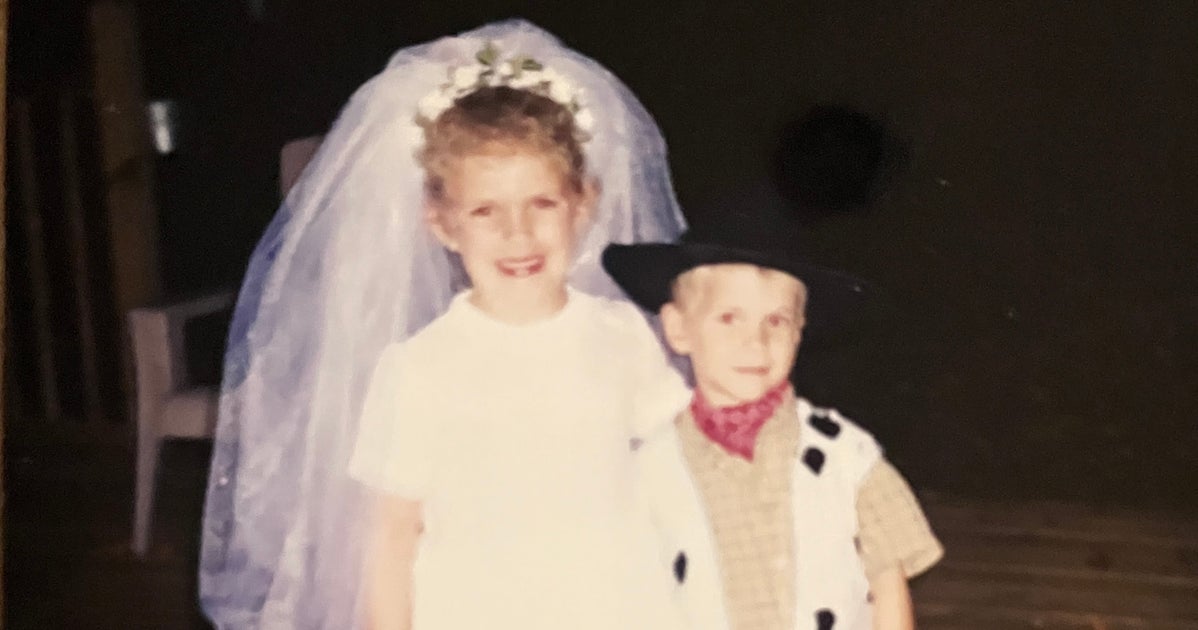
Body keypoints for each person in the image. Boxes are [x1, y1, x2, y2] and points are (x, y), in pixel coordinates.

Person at [199, 20, 689, 629]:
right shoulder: (419, 368)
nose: (517, 233)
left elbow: (684, 472)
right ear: (442, 223)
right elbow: (391, 536)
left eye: (542, 203)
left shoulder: (626, 336)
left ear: (582, 204)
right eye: (485, 211)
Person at [604, 219, 943, 630]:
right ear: (678, 329)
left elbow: (888, 587)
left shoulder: (848, 459)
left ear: (799, 332)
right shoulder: (650, 469)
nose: (756, 341)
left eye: (777, 321)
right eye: (729, 318)